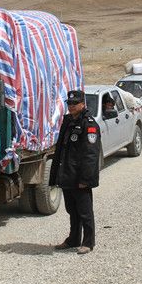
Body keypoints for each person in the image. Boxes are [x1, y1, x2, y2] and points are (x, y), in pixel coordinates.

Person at [50, 90, 101, 255]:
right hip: (68, 174)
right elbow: (61, 149)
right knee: (72, 210)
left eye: (74, 103)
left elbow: (91, 154)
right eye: (69, 103)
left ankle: (88, 242)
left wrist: (85, 179)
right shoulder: (68, 121)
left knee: (85, 212)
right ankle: (73, 239)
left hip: (80, 177)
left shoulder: (89, 124)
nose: (71, 106)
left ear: (82, 104)